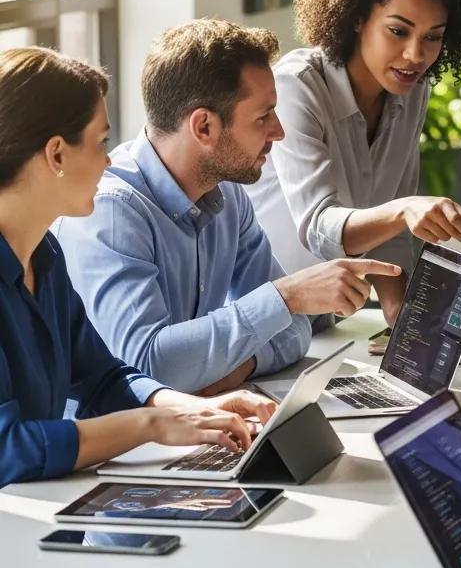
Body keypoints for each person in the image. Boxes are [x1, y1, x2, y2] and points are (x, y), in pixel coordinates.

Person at [57, 20, 400, 395]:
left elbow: (295, 331)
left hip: (191, 425)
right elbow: (147, 366)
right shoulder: (112, 213)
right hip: (113, 447)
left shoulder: (229, 196)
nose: (278, 132)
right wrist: (285, 297)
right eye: (263, 116)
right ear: (203, 127)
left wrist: (232, 370)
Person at [0, 47, 276, 488]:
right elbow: (7, 449)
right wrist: (152, 425)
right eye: (100, 143)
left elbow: (101, 377)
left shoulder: (44, 255)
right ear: (56, 155)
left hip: (46, 511)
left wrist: (188, 407)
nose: (109, 161)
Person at [248, 0, 461, 327]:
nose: (416, 56)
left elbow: (393, 236)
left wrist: (401, 322)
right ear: (357, 17)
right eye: (398, 31)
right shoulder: (296, 86)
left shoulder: (412, 90)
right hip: (266, 320)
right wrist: (404, 210)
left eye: (433, 37)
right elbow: (318, 227)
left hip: (329, 322)